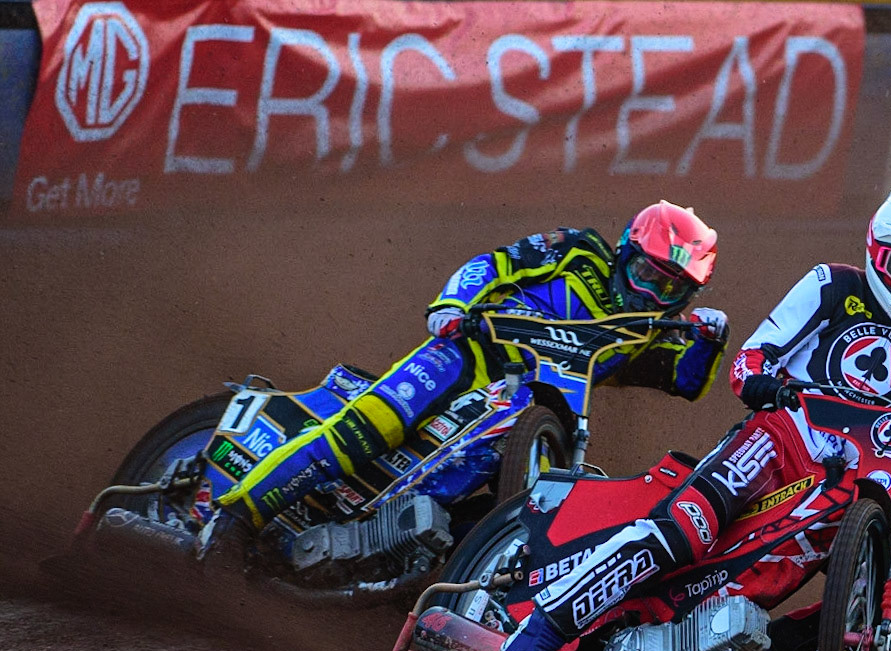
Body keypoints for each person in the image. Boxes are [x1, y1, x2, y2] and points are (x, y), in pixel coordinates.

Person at [497, 186, 891, 651]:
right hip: (779, 438)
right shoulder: (831, 286)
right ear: (876, 253)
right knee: (686, 529)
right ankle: (540, 633)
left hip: (857, 475)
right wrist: (760, 381)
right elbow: (753, 355)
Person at [210, 203, 728, 551]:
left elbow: (683, 381)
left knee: (503, 510)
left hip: (532, 409)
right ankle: (235, 517)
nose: (650, 294)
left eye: (670, 290)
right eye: (645, 274)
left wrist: (710, 341)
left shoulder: (648, 330)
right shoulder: (578, 250)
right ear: (625, 251)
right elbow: (495, 264)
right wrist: (453, 305)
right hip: (468, 356)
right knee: (372, 426)